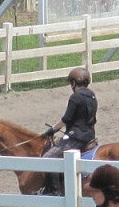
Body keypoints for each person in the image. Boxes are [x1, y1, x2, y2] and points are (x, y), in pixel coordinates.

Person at [39, 67, 98, 195]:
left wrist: (52, 129)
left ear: (73, 83)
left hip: (76, 138)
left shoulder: (75, 97)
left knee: (48, 158)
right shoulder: (92, 95)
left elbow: (66, 119)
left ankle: (53, 191)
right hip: (90, 136)